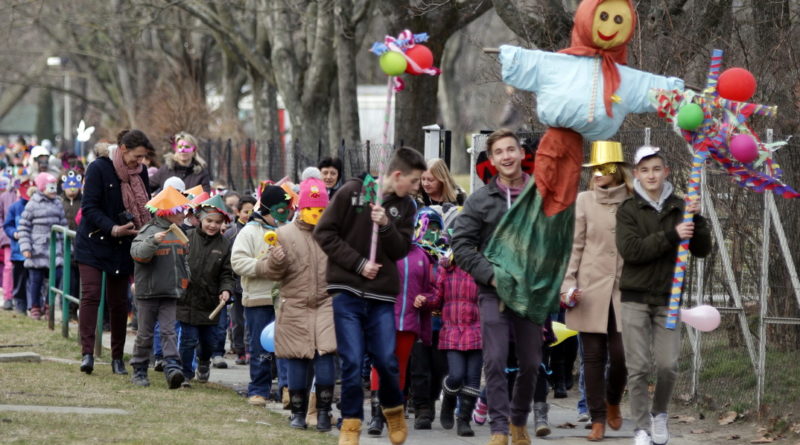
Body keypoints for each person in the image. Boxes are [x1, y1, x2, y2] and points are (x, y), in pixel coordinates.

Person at [314, 147, 426, 445]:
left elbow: (401, 250)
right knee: (351, 361)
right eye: (414, 181)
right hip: (347, 292)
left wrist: (386, 225)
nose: (417, 188)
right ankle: (351, 423)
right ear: (398, 175)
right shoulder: (353, 191)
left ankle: (393, 410)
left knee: (386, 360)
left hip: (381, 297)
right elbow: (324, 233)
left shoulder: (406, 207)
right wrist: (358, 264)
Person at [616, 145, 712, 445]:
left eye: (656, 169)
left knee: (669, 365)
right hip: (635, 298)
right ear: (636, 175)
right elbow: (631, 251)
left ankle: (659, 415)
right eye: (644, 170)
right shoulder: (628, 210)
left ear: (666, 172)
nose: (651, 175)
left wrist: (696, 220)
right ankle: (642, 428)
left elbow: (701, 250)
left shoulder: (681, 207)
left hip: (669, 299)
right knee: (639, 367)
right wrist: (672, 235)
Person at [452, 129, 542, 445]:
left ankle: (518, 420)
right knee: (495, 358)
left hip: (529, 294)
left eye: (511, 150)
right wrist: (490, 275)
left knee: (531, 363)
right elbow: (460, 244)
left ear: (520, 154)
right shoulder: (480, 201)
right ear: (492, 160)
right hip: (492, 292)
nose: (506, 156)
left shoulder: (540, 195)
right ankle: (499, 428)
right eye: (499, 152)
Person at [561, 141, 632, 441]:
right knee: (591, 356)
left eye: (604, 168)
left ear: (617, 171)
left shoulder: (633, 200)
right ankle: (597, 419)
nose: (599, 174)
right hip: (590, 288)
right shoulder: (584, 201)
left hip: (625, 290)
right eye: (595, 169)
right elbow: (575, 246)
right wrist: (568, 284)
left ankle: (613, 400)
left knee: (622, 355)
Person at [75, 133, 154, 376]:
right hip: (94, 241)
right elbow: (89, 207)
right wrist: (112, 227)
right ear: (122, 149)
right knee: (91, 294)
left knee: (119, 302)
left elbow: (146, 204)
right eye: (136, 155)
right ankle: (87, 352)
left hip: (123, 244)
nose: (140, 161)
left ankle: (117, 357)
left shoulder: (140, 172)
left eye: (143, 156)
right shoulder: (99, 168)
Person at [264, 177, 336, 432]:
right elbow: (269, 271)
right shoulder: (283, 234)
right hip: (295, 305)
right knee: (296, 360)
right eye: (310, 209)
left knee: (326, 357)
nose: (316, 214)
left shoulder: (333, 234)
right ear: (300, 208)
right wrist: (276, 261)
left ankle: (325, 412)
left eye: (321, 209)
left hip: (327, 304)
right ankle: (297, 412)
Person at [366, 207, 438, 437]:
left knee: (400, 369)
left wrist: (425, 299)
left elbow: (432, 290)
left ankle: (393, 415)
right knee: (381, 364)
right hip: (383, 318)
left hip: (409, 323)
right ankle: (377, 416)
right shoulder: (380, 249)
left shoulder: (422, 256)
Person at [231, 185, 292, 406]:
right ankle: (259, 389)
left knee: (286, 347)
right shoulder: (249, 231)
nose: (286, 213)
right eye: (281, 209)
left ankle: (288, 389)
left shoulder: (288, 230)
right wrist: (263, 267)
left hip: (285, 300)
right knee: (261, 348)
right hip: (258, 299)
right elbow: (237, 262)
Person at [129, 186, 191, 388]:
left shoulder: (178, 233)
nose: (183, 214)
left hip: (170, 292)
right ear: (168, 212)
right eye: (179, 210)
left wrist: (185, 278)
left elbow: (184, 260)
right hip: (148, 293)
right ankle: (139, 369)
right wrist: (152, 242)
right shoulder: (149, 231)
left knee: (169, 332)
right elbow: (138, 254)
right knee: (145, 333)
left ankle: (172, 368)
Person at [177, 195, 235, 386]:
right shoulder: (187, 238)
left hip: (210, 303)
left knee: (208, 341)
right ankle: (186, 373)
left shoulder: (224, 245)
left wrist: (226, 290)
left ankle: (203, 361)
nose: (212, 225)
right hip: (187, 299)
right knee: (188, 340)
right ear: (200, 219)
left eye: (217, 222)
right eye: (209, 220)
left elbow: (227, 273)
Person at [434, 235, 481, 437]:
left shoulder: (482, 269)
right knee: (456, 375)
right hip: (452, 330)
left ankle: (464, 420)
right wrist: (423, 301)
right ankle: (449, 399)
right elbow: (437, 298)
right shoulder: (446, 268)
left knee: (472, 380)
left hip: (477, 330)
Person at [18, 172, 67, 320]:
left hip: (55, 249)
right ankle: (35, 307)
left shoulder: (58, 203)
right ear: (41, 188)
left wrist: (67, 247)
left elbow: (63, 224)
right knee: (36, 280)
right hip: (37, 249)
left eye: (54, 187)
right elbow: (24, 227)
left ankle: (48, 304)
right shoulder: (32, 204)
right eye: (50, 187)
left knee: (57, 275)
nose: (53, 190)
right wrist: (26, 247)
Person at [224, 194, 256, 365]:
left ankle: (250, 349)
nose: (248, 215)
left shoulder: (259, 231)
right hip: (236, 284)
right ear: (237, 212)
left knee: (251, 319)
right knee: (237, 320)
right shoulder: (231, 234)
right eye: (245, 211)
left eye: (252, 211)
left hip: (252, 283)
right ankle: (240, 350)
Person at [4, 181, 32, 314]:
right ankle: (20, 304)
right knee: (20, 279)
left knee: (34, 279)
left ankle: (34, 305)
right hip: (18, 250)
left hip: (35, 251)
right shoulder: (14, 207)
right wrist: (13, 233)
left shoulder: (37, 206)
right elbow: (7, 225)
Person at [0, 176, 16, 310]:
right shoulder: (4, 197)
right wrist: (3, 232)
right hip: (8, 238)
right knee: (9, 267)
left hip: (26, 237)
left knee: (25, 269)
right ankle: (8, 297)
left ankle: (23, 299)